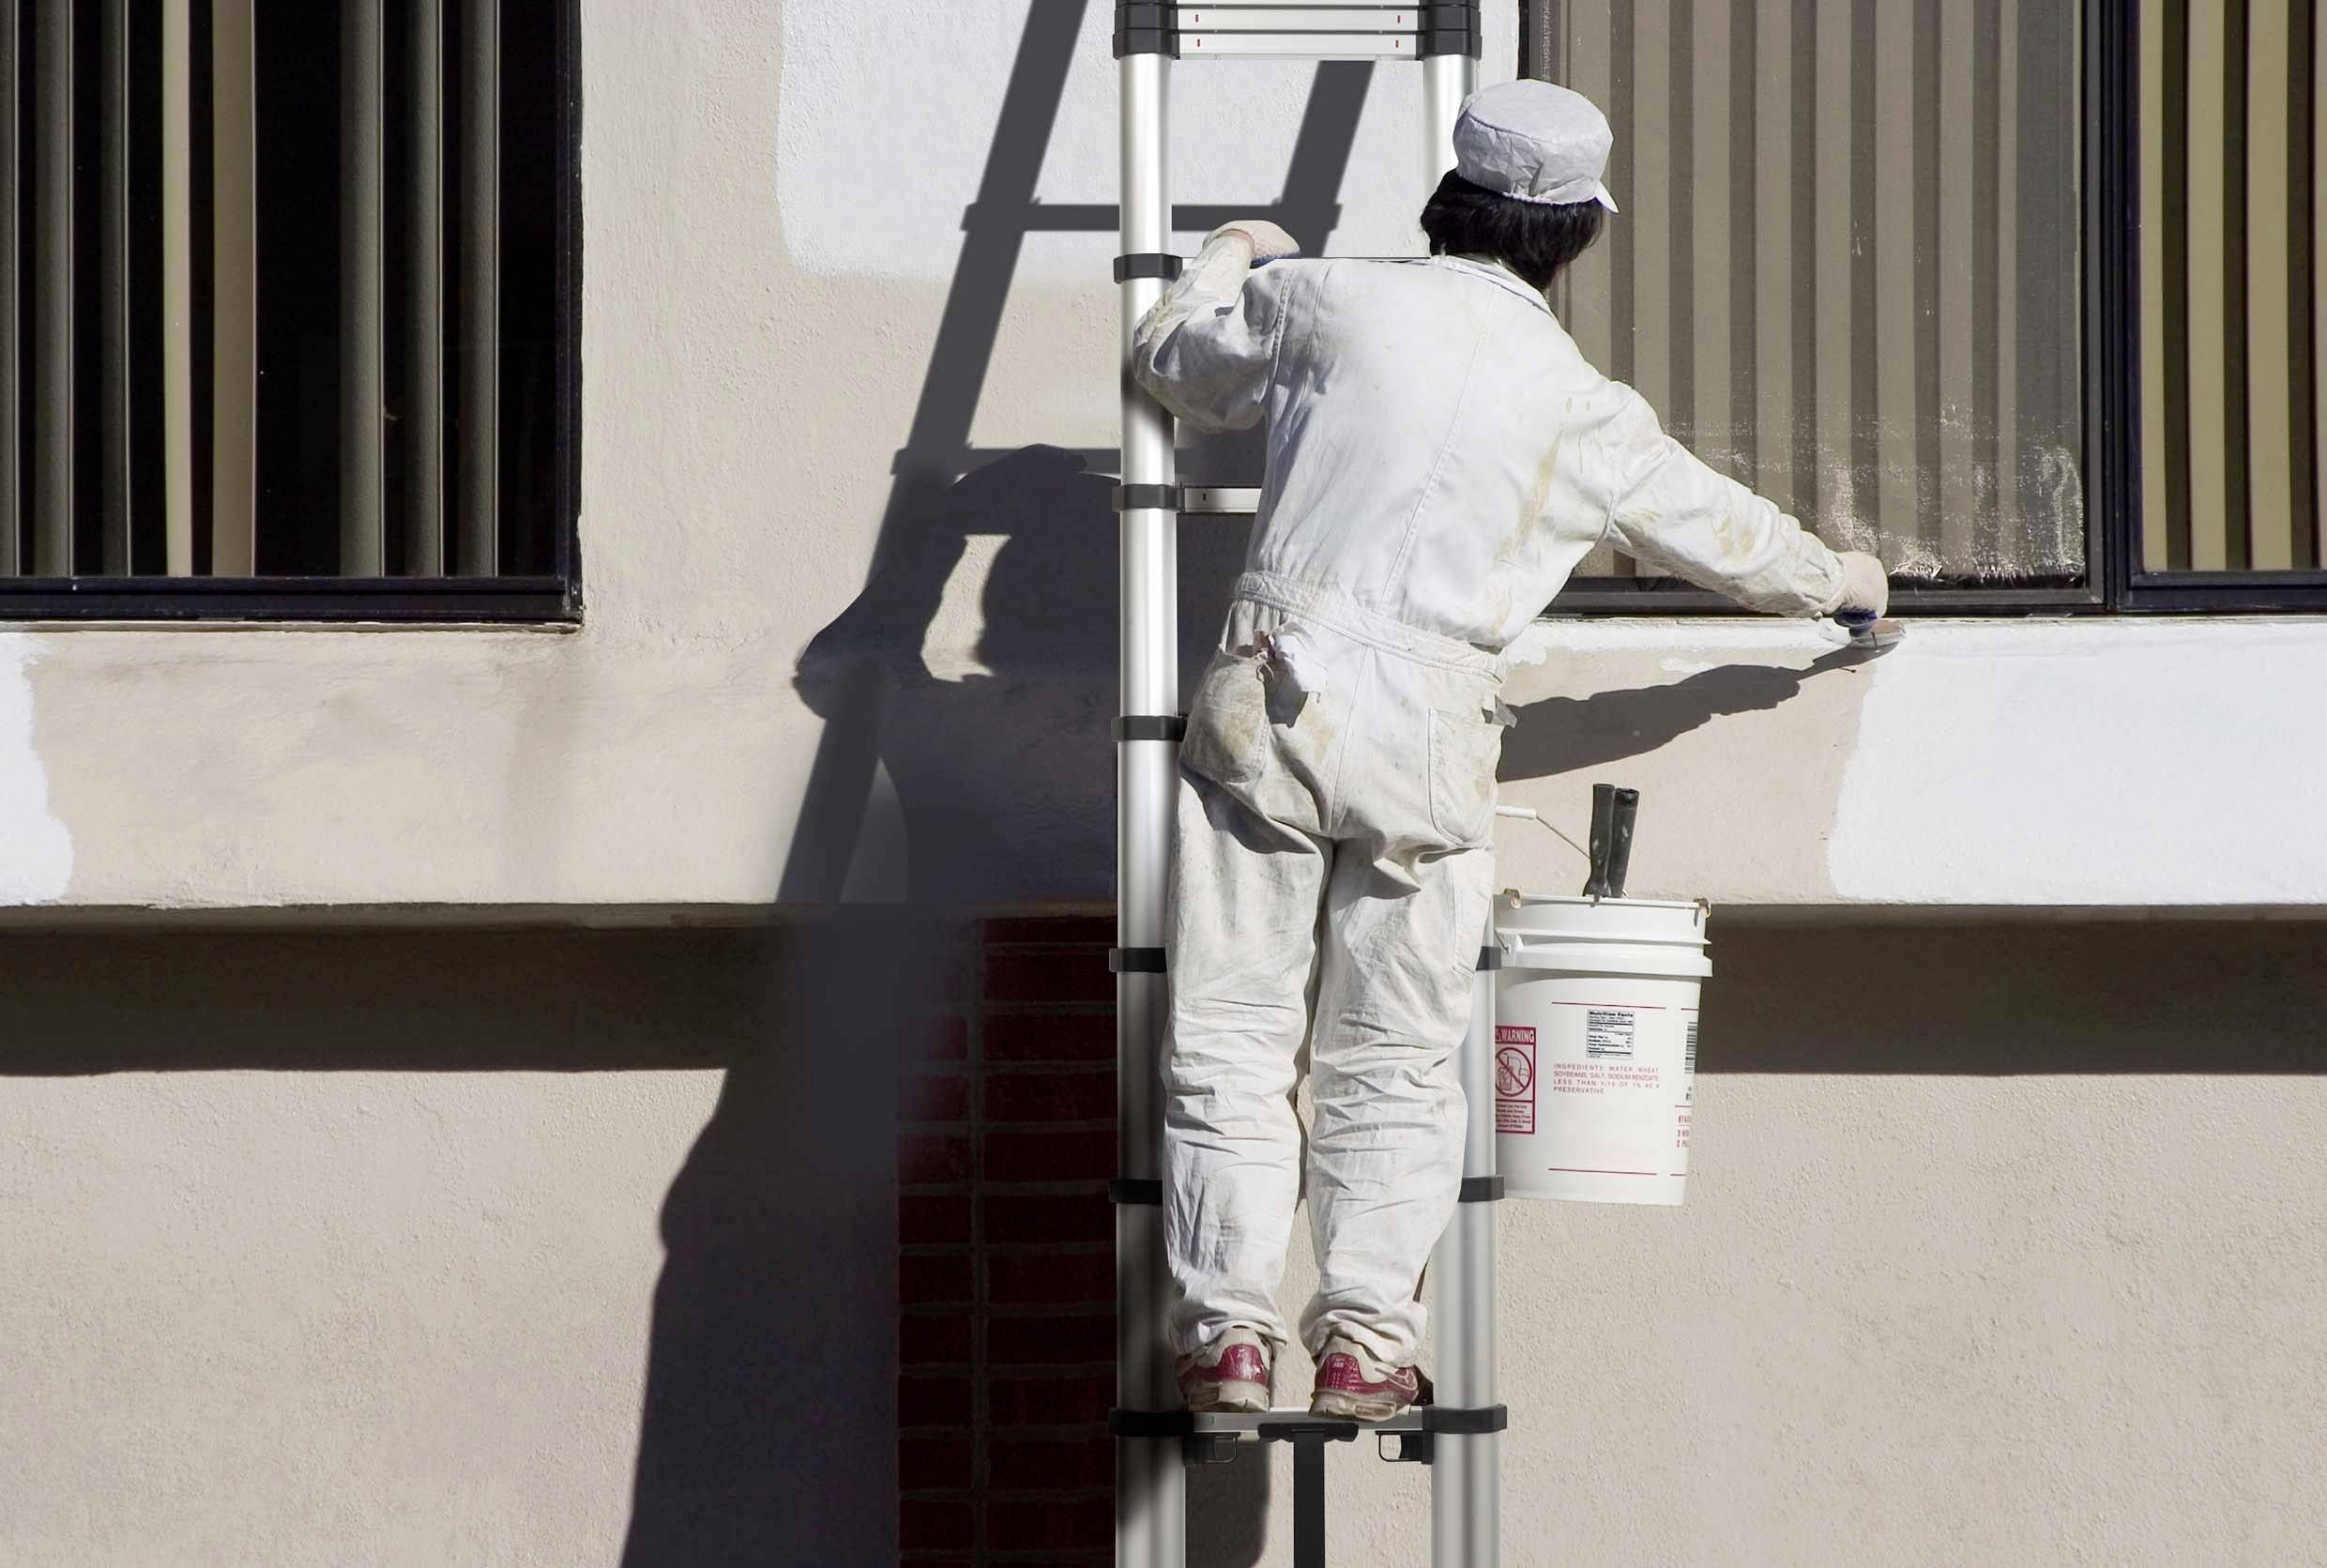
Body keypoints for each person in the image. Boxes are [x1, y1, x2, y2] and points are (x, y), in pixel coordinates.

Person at [1132, 80, 1889, 1422]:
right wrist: (1848, 582)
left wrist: (1232, 254)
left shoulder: (1330, 302)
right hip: (1431, 727)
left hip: (1278, 689)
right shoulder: (1579, 403)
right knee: (1398, 1052)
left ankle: (1226, 1342)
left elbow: (1173, 361)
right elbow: (1724, 533)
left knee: (1234, 1034)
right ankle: (1367, 1338)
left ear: (1453, 196)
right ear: (1575, 233)